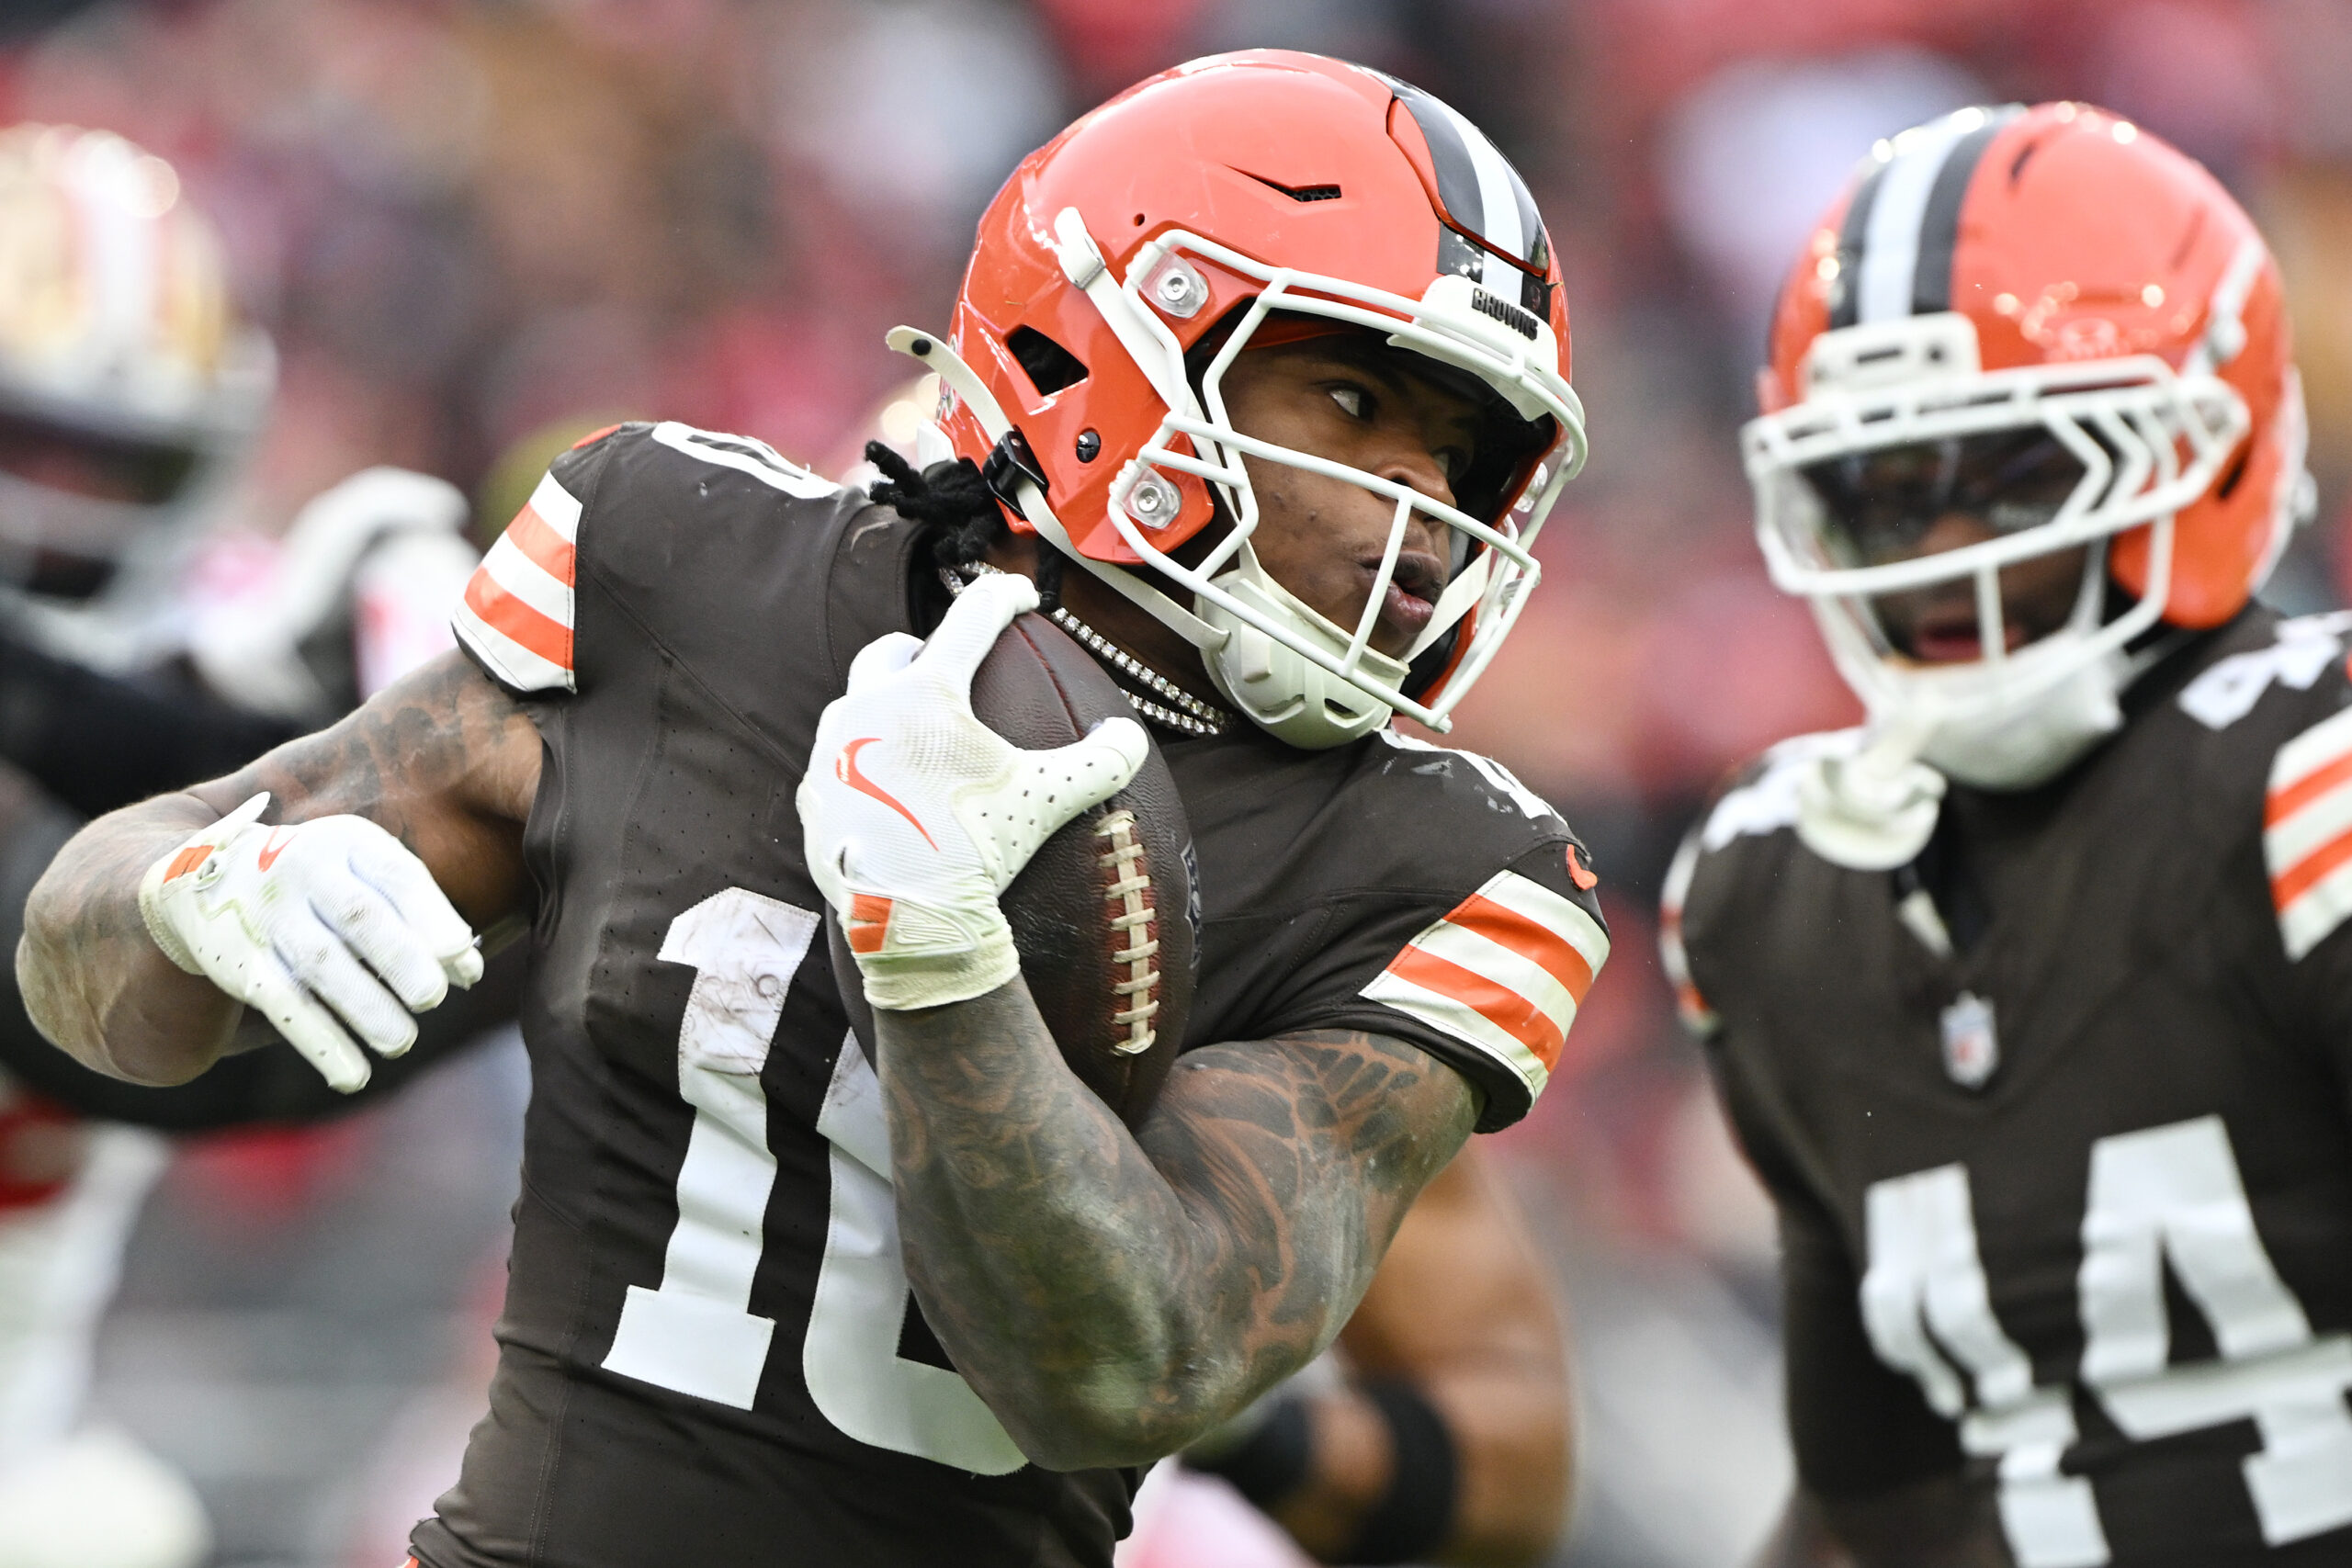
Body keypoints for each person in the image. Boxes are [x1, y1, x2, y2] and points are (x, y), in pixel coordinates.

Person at [17, 51, 1609, 1568]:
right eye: (1351, 401)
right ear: (1116, 349)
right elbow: (87, 988)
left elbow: (1126, 1368)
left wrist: (944, 973)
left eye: (1465, 456)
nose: (1428, 514)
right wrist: (182, 900)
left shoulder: (1450, 864)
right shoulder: (680, 560)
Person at [1660, 101, 2338, 1566]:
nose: (1951, 557)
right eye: (1894, 494)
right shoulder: (1772, 886)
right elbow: (1873, 1501)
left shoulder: (2312, 781)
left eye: (2021, 473)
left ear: (2210, 448)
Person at [0, 123, 500, 1568]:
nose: (62, 516)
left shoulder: (195, 635)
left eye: (115, 466)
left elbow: (91, 737)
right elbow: (76, 975)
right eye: (23, 445)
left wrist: (398, 685)